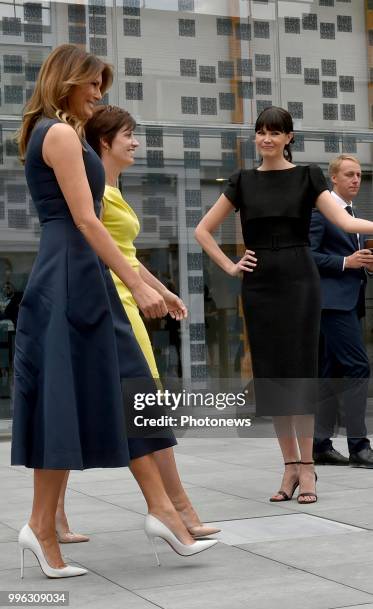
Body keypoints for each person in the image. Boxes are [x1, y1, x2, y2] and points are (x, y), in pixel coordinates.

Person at [11, 44, 216, 579]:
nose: (99, 94)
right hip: (69, 276)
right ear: (66, 82)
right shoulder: (55, 134)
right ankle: (43, 526)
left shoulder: (57, 134)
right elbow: (86, 220)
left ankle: (164, 512)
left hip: (82, 276)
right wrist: (135, 283)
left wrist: (154, 285)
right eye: (92, 84)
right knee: (68, 399)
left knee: (127, 388)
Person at [55, 103, 219, 542]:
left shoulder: (112, 189)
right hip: (111, 304)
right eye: (128, 134)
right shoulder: (95, 194)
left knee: (130, 409)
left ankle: (55, 517)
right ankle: (176, 508)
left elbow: (125, 255)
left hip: (128, 299)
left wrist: (162, 289)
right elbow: (97, 251)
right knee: (143, 409)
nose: (136, 142)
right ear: (104, 141)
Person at [195, 106, 373, 505]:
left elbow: (344, 224)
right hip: (260, 283)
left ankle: (307, 468)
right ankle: (289, 466)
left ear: (289, 138)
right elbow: (202, 230)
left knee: (300, 371)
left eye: (275, 132)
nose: (267, 138)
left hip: (300, 278)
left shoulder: (306, 176)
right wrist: (230, 265)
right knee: (273, 374)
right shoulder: (241, 181)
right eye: (261, 131)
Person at [310, 154, 373, 468]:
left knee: (330, 373)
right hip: (331, 304)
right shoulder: (322, 213)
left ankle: (320, 445)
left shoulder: (353, 213)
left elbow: (355, 258)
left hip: (349, 301)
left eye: (359, 175)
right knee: (358, 366)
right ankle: (359, 446)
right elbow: (308, 256)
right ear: (333, 178)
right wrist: (346, 262)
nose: (356, 180)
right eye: (349, 174)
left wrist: (365, 265)